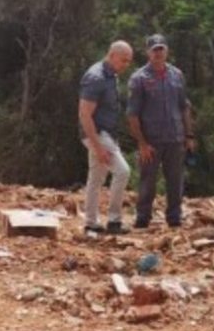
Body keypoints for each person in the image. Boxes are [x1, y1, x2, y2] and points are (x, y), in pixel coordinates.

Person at [127, 34, 194, 229]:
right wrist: (141, 143)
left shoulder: (177, 75)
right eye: (154, 49)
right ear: (148, 52)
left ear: (167, 51)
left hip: (175, 138)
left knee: (175, 181)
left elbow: (184, 107)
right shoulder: (139, 78)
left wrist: (189, 135)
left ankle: (174, 218)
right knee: (148, 181)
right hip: (151, 140)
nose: (158, 52)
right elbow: (132, 115)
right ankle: (142, 218)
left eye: (161, 49)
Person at [79, 41, 134, 235]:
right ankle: (114, 221)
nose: (126, 65)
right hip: (97, 134)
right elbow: (84, 114)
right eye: (123, 60)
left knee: (95, 178)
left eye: (128, 61)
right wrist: (98, 146)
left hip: (105, 134)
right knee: (122, 171)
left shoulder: (111, 75)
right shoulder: (96, 77)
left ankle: (91, 223)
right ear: (111, 55)